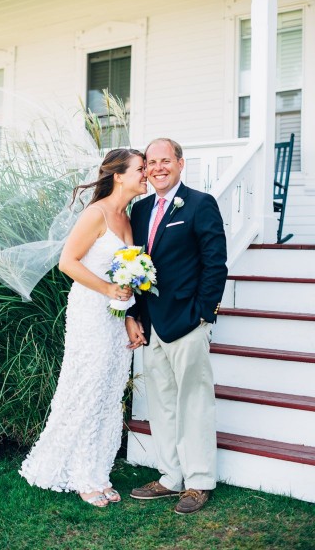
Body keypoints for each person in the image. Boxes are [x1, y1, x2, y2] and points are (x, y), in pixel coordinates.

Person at [20, 148, 147, 507]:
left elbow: (127, 274)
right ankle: (80, 476)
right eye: (140, 169)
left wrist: (129, 316)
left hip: (115, 316)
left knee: (109, 391)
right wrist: (108, 289)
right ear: (119, 175)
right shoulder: (97, 213)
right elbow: (67, 263)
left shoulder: (128, 217)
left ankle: (98, 470)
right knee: (88, 388)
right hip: (90, 311)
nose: (146, 174)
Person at [126, 138, 227, 515]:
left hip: (187, 322)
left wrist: (202, 313)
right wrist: (133, 316)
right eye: (151, 162)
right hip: (151, 324)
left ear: (181, 164)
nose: (157, 168)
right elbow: (133, 264)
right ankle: (170, 477)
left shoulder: (201, 204)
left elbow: (216, 263)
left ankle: (198, 482)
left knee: (195, 403)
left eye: (165, 160)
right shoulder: (140, 210)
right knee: (162, 404)